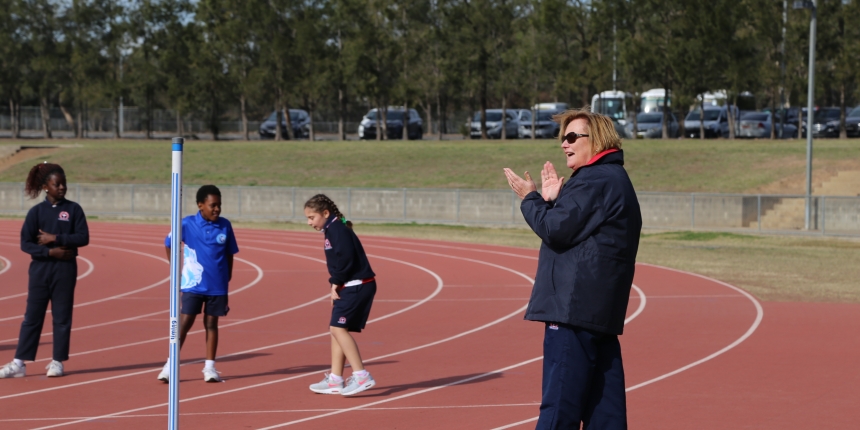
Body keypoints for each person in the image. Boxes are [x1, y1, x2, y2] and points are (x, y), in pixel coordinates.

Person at [503, 107, 642, 430]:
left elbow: (556, 230)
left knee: (559, 407)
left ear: (596, 140)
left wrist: (531, 199)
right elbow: (575, 227)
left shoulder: (594, 180)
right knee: (605, 415)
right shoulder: (613, 179)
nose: (564, 144)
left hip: (574, 312)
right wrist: (554, 201)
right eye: (561, 139)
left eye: (571, 137)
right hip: (599, 315)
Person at [0, 162, 89, 379]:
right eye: (56, 184)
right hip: (40, 270)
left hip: (65, 270)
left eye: (63, 184)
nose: (61, 188)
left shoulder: (73, 209)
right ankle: (19, 362)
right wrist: (50, 252)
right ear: (45, 187)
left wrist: (55, 239)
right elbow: (25, 243)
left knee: (61, 317)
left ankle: (57, 362)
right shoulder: (36, 212)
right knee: (32, 317)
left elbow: (83, 237)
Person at [158, 185, 239, 383]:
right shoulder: (187, 224)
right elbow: (169, 243)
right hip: (193, 284)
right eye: (213, 205)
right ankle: (170, 365)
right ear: (200, 205)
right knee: (184, 323)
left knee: (211, 324)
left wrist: (227, 278)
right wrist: (175, 268)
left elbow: (229, 254)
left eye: (219, 205)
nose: (217, 209)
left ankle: (209, 368)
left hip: (217, 286)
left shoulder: (225, 226)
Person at [304, 194, 377, 396]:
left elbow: (345, 259)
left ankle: (362, 375)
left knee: (338, 328)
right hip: (350, 285)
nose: (309, 223)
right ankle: (336, 379)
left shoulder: (337, 230)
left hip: (357, 285)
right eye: (307, 218)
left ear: (325, 213)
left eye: (312, 217)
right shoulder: (332, 228)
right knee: (335, 328)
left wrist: (335, 282)